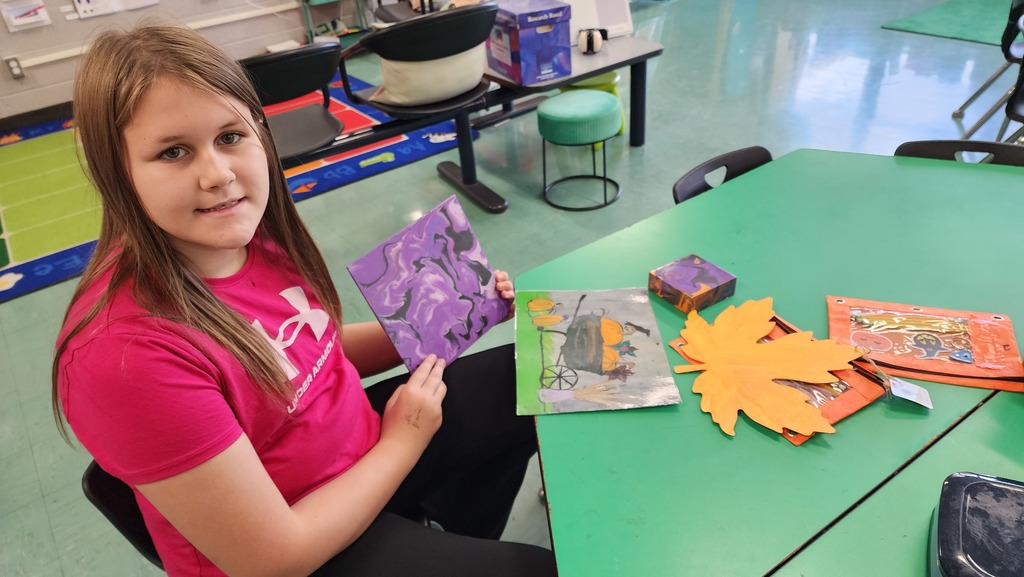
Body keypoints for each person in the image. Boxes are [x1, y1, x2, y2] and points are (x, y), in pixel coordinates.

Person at [52, 22, 557, 577]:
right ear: (115, 171)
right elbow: (274, 558)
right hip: (301, 541)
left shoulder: (248, 236)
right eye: (173, 152)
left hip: (366, 453)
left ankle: (450, 530)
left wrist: (442, 317)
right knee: (535, 570)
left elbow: (309, 353)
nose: (218, 175)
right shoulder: (123, 356)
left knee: (534, 375)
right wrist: (404, 441)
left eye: (230, 137)